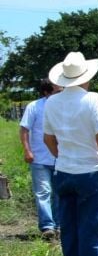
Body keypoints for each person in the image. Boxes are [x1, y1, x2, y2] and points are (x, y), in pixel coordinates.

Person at [41, 51, 98, 256]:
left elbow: (48, 138)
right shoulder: (93, 99)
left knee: (70, 229)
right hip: (91, 171)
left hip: (64, 171)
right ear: (86, 76)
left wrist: (61, 156)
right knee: (91, 227)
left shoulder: (52, 101)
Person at [18, 79, 61, 238]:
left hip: (60, 157)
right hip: (39, 158)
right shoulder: (34, 107)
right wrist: (27, 150)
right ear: (46, 92)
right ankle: (47, 227)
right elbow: (24, 129)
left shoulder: (63, 106)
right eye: (57, 91)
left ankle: (59, 225)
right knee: (43, 192)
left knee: (59, 193)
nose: (60, 93)